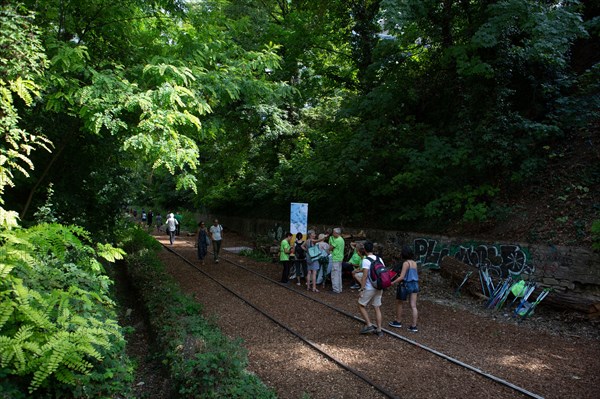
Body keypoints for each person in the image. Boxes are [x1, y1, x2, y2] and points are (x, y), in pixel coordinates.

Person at [389, 245, 420, 332]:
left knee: (400, 303)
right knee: (413, 306)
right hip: (415, 285)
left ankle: (398, 321)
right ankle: (413, 326)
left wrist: (392, 282)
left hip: (407, 284)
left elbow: (402, 277)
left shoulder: (406, 263)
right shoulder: (414, 263)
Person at [357, 241, 385, 337]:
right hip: (379, 286)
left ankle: (369, 324)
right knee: (377, 307)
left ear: (364, 250)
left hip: (370, 287)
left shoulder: (366, 260)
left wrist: (361, 289)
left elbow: (364, 276)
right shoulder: (379, 259)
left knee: (361, 305)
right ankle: (379, 329)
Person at [328, 227, 345, 293]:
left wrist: (330, 242)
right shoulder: (342, 239)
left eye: (333, 232)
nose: (332, 234)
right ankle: (339, 288)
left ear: (336, 233)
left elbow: (330, 248)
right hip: (340, 258)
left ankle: (336, 289)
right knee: (338, 274)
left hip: (336, 258)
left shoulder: (337, 240)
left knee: (334, 274)